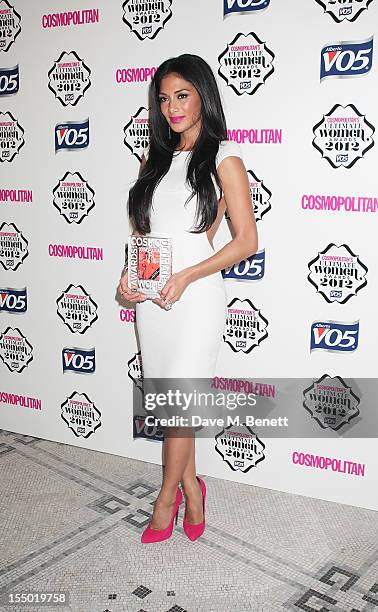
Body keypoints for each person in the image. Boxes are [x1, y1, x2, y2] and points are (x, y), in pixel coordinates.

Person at [118, 54, 258, 544]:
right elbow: (145, 236)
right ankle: (194, 490)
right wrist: (126, 281)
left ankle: (165, 500)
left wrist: (189, 275)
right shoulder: (152, 160)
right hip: (153, 300)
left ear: (203, 95)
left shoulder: (224, 157)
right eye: (163, 98)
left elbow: (246, 241)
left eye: (182, 95)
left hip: (197, 298)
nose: (171, 106)